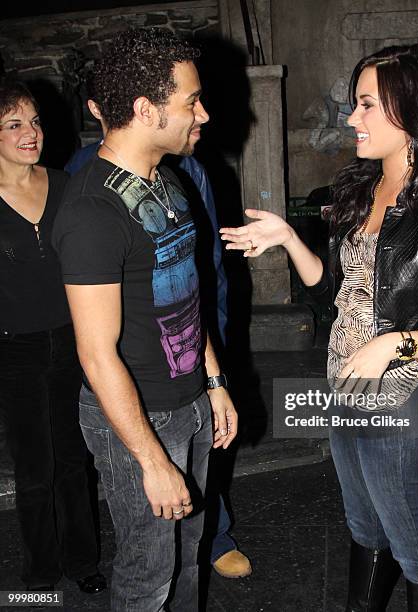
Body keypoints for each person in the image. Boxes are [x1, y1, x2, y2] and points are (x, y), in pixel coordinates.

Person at [220, 43, 418, 612]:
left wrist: (395, 343)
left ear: (414, 108)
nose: (351, 118)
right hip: (342, 391)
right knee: (364, 529)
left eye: (367, 105)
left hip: (403, 400)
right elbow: (335, 291)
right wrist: (290, 239)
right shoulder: (358, 188)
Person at [52, 29, 238, 611]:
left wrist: (214, 381)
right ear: (144, 109)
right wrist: (151, 461)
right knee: (147, 572)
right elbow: (96, 353)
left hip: (190, 400)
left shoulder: (169, 181)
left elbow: (187, 293)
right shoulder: (92, 212)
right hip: (135, 419)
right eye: (191, 101)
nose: (203, 113)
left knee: (188, 552)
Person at [0, 80, 105, 593]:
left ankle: (84, 562)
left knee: (73, 458)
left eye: (35, 121)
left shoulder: (64, 184)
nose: (30, 132)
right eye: (14, 124)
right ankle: (40, 571)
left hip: (71, 340)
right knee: (33, 467)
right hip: (12, 350)